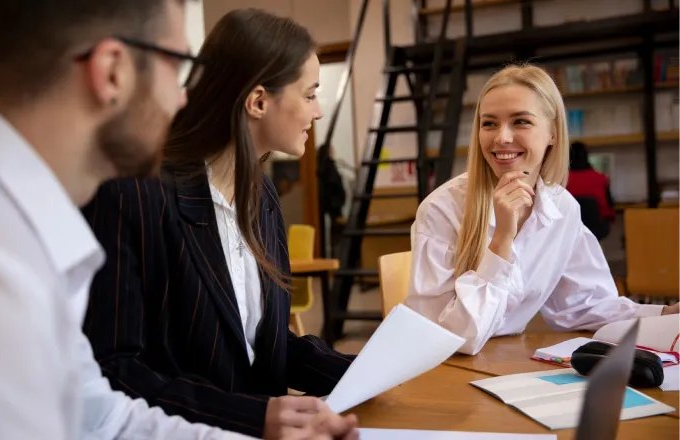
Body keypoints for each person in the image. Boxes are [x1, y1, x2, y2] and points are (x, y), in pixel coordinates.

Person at [0, 1, 357, 439]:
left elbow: (102, 413)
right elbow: (115, 374)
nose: (184, 96)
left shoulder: (24, 224)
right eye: (178, 66)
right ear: (113, 71)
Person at [80, 9, 357, 440]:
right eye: (310, 94)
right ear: (259, 101)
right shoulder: (134, 195)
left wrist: (363, 372)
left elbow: (263, 345)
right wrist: (250, 417)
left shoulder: (262, 198)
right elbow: (116, 369)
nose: (318, 111)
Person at [404, 64, 679, 356]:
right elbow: (445, 337)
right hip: (441, 369)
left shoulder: (562, 207)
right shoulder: (441, 209)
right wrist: (502, 242)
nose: (502, 138)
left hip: (500, 362)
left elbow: (583, 305)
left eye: (520, 121)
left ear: (552, 133)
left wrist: (665, 313)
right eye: (489, 123)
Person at [566, 141, 615, 240]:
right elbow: (609, 208)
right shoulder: (601, 179)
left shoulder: (561, 181)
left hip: (568, 230)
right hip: (596, 229)